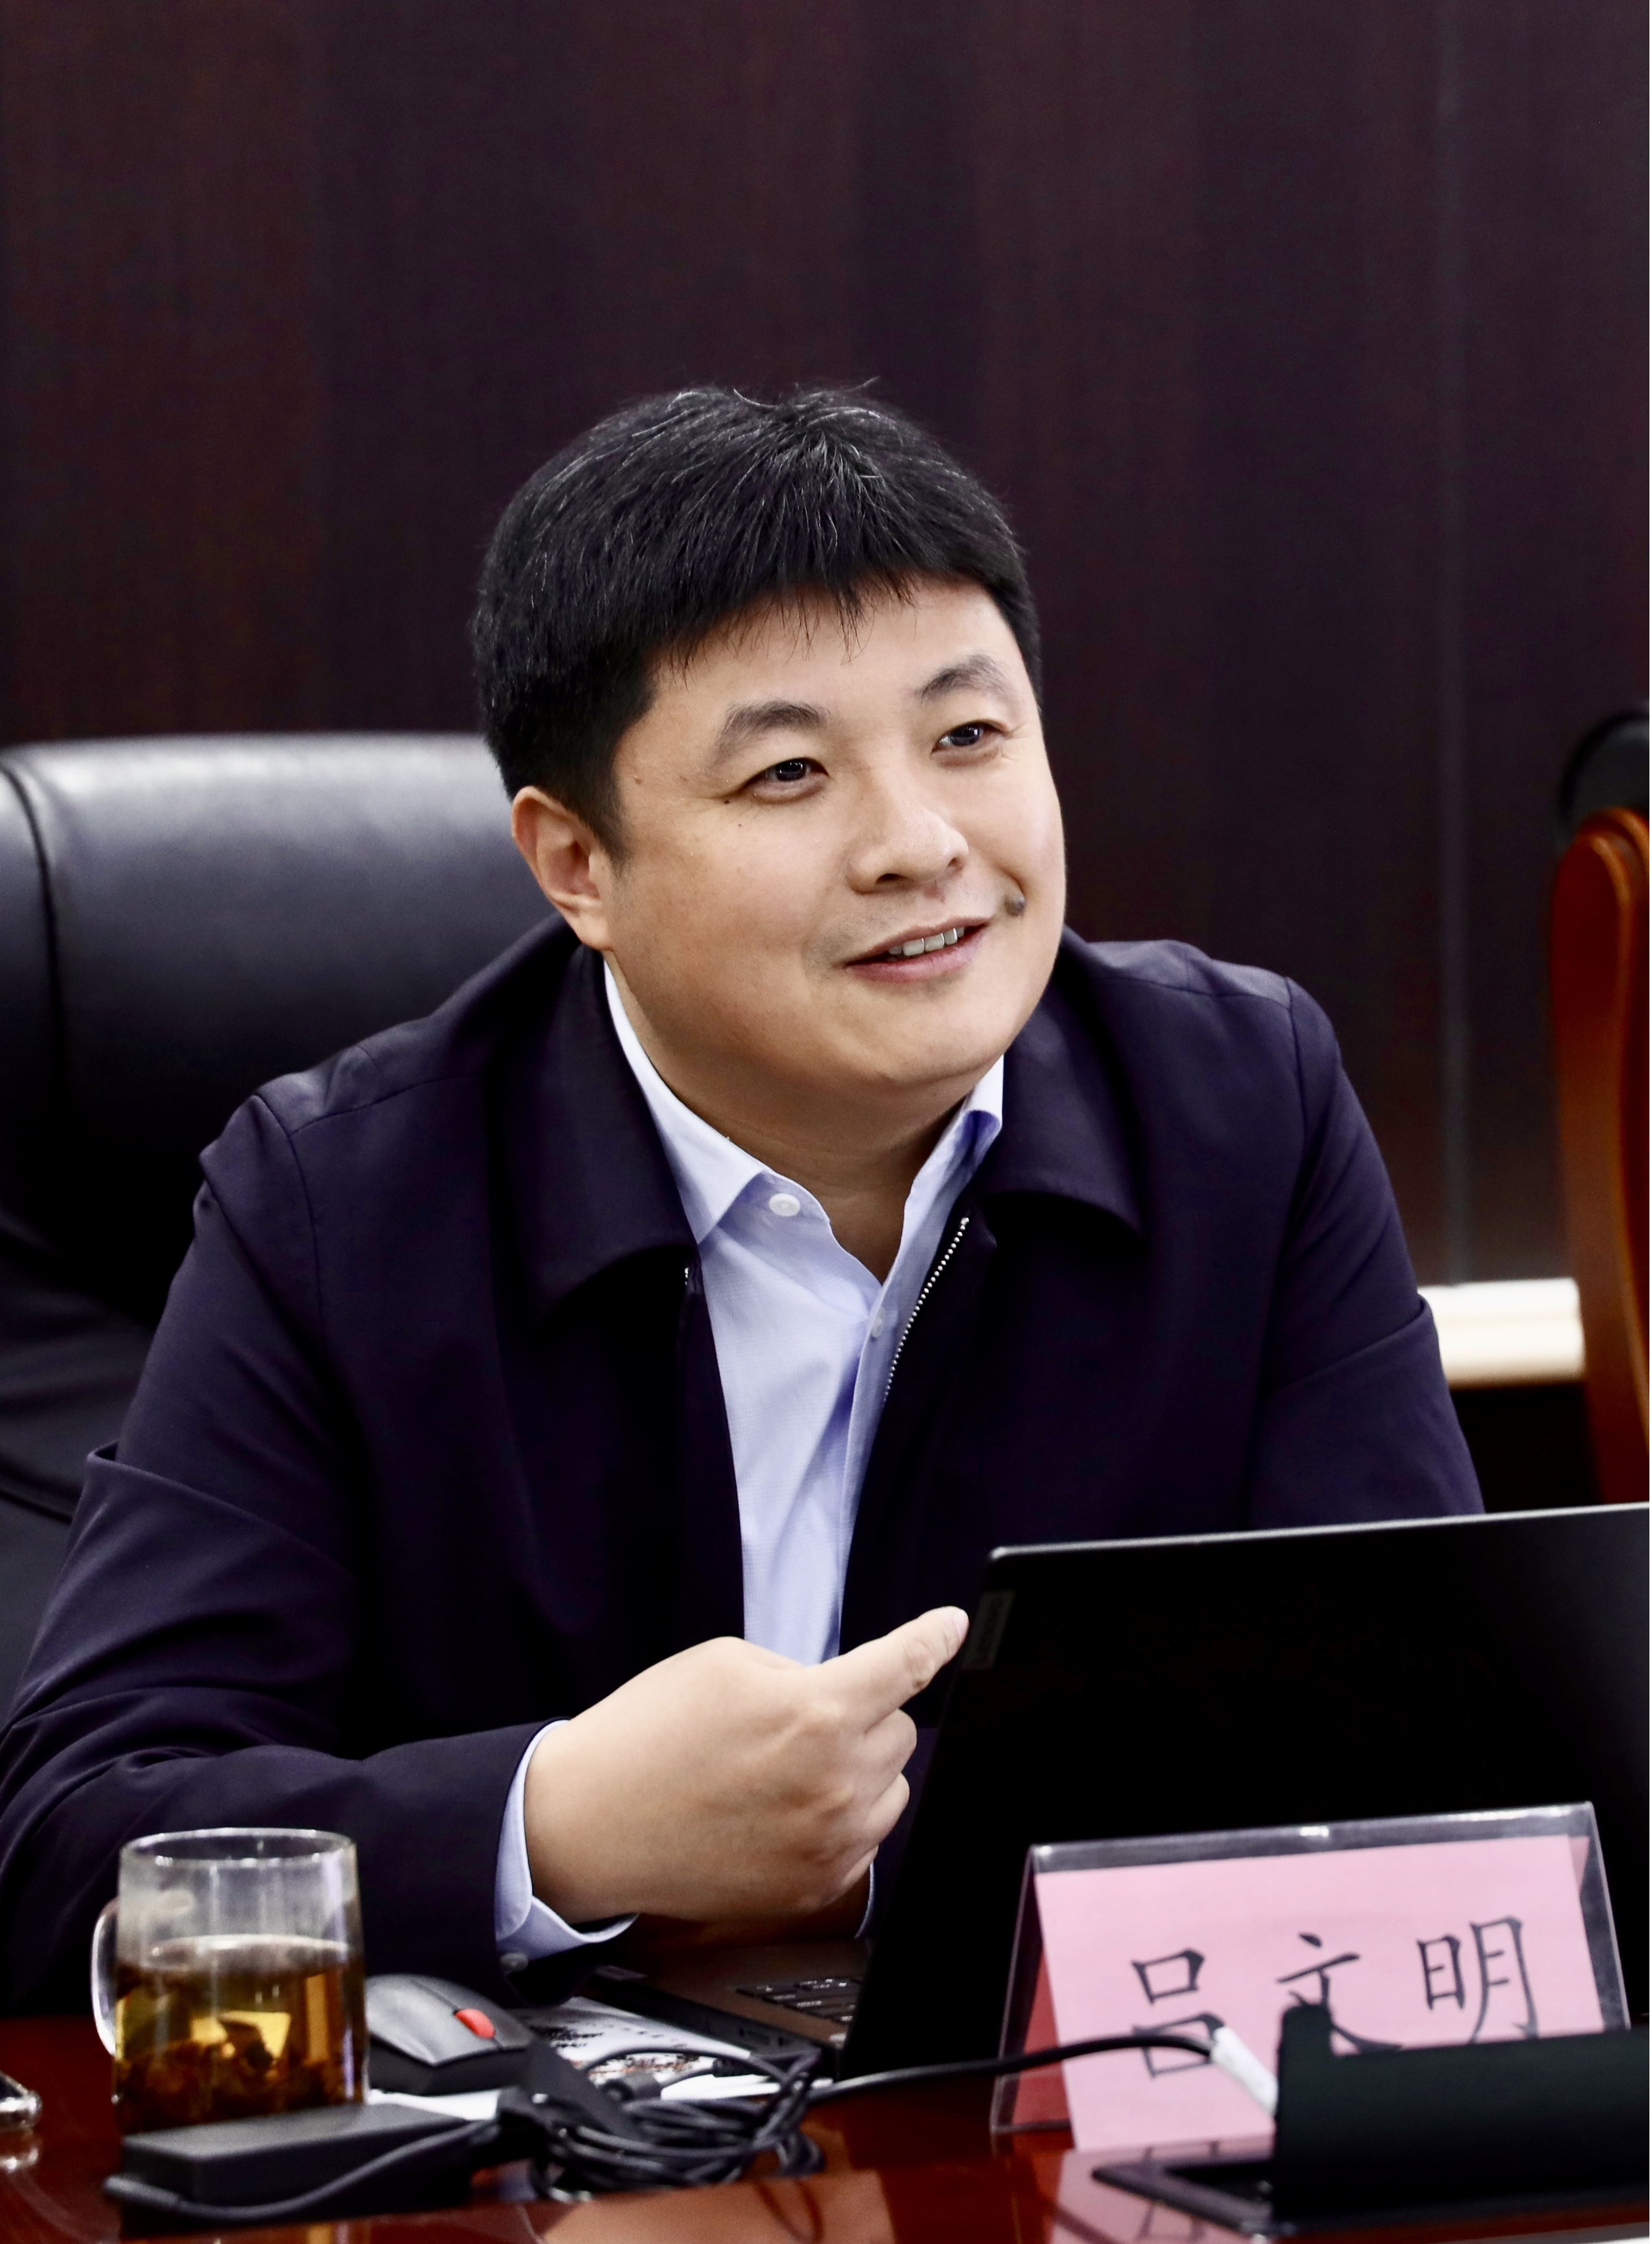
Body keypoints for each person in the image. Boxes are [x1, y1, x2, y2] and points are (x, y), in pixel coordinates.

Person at [0, 389, 1479, 2010]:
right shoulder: (339, 1203)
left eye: (968, 737)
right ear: (577, 864)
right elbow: (75, 1849)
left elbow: (1440, 1734)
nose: (919, 844)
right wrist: (555, 1828)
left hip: (1053, 2113)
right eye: (788, 773)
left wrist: (872, 1865)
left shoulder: (1239, 1106)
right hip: (550, 2151)